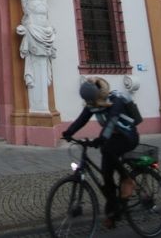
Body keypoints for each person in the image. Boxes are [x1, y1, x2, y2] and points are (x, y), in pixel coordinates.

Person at [61, 77, 142, 228]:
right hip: (112, 137)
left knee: (107, 149)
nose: (89, 103)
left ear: (97, 95)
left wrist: (100, 139)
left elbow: (112, 120)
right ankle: (113, 213)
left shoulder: (115, 99)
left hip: (128, 136)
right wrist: (68, 132)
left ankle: (128, 180)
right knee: (106, 174)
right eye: (87, 100)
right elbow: (81, 120)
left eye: (90, 99)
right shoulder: (92, 103)